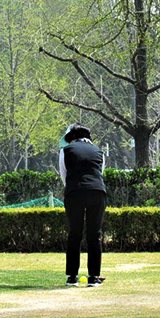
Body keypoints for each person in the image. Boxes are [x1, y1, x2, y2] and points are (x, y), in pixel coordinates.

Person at [59, 123, 106, 287]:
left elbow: (64, 175)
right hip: (97, 192)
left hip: (75, 193)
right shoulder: (99, 151)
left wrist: (73, 188)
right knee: (95, 235)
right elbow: (100, 173)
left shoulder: (65, 151)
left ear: (72, 138)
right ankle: (94, 277)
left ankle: (72, 276)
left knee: (74, 234)